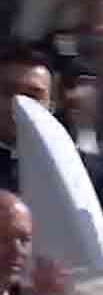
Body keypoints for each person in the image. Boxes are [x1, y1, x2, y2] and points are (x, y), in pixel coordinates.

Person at [0, 45, 55, 192]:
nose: (19, 104)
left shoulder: (69, 165)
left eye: (32, 96)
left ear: (51, 107)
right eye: (8, 92)